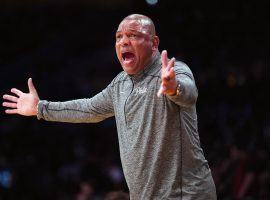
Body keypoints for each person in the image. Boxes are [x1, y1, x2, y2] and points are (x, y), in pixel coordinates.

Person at [2, 14, 217, 199]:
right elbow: (88, 108)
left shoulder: (174, 70)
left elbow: (189, 94)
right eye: (119, 37)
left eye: (133, 35)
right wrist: (41, 108)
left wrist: (173, 87)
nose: (123, 41)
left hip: (186, 194)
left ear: (154, 42)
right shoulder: (120, 84)